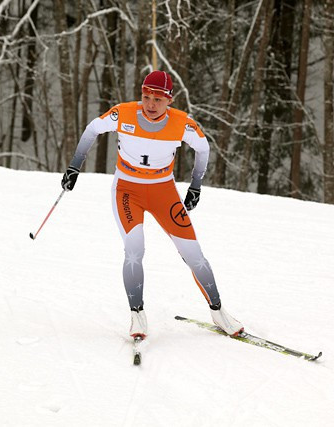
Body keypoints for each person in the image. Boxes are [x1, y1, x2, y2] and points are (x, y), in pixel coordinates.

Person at [61, 70, 243, 339]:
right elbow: (91, 130)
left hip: (163, 192)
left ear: (169, 100)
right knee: (134, 250)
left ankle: (218, 311)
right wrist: (74, 166)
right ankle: (137, 315)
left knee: (194, 254)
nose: (150, 104)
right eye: (146, 97)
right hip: (127, 191)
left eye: (158, 99)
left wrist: (195, 185)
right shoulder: (123, 114)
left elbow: (203, 148)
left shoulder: (182, 123)